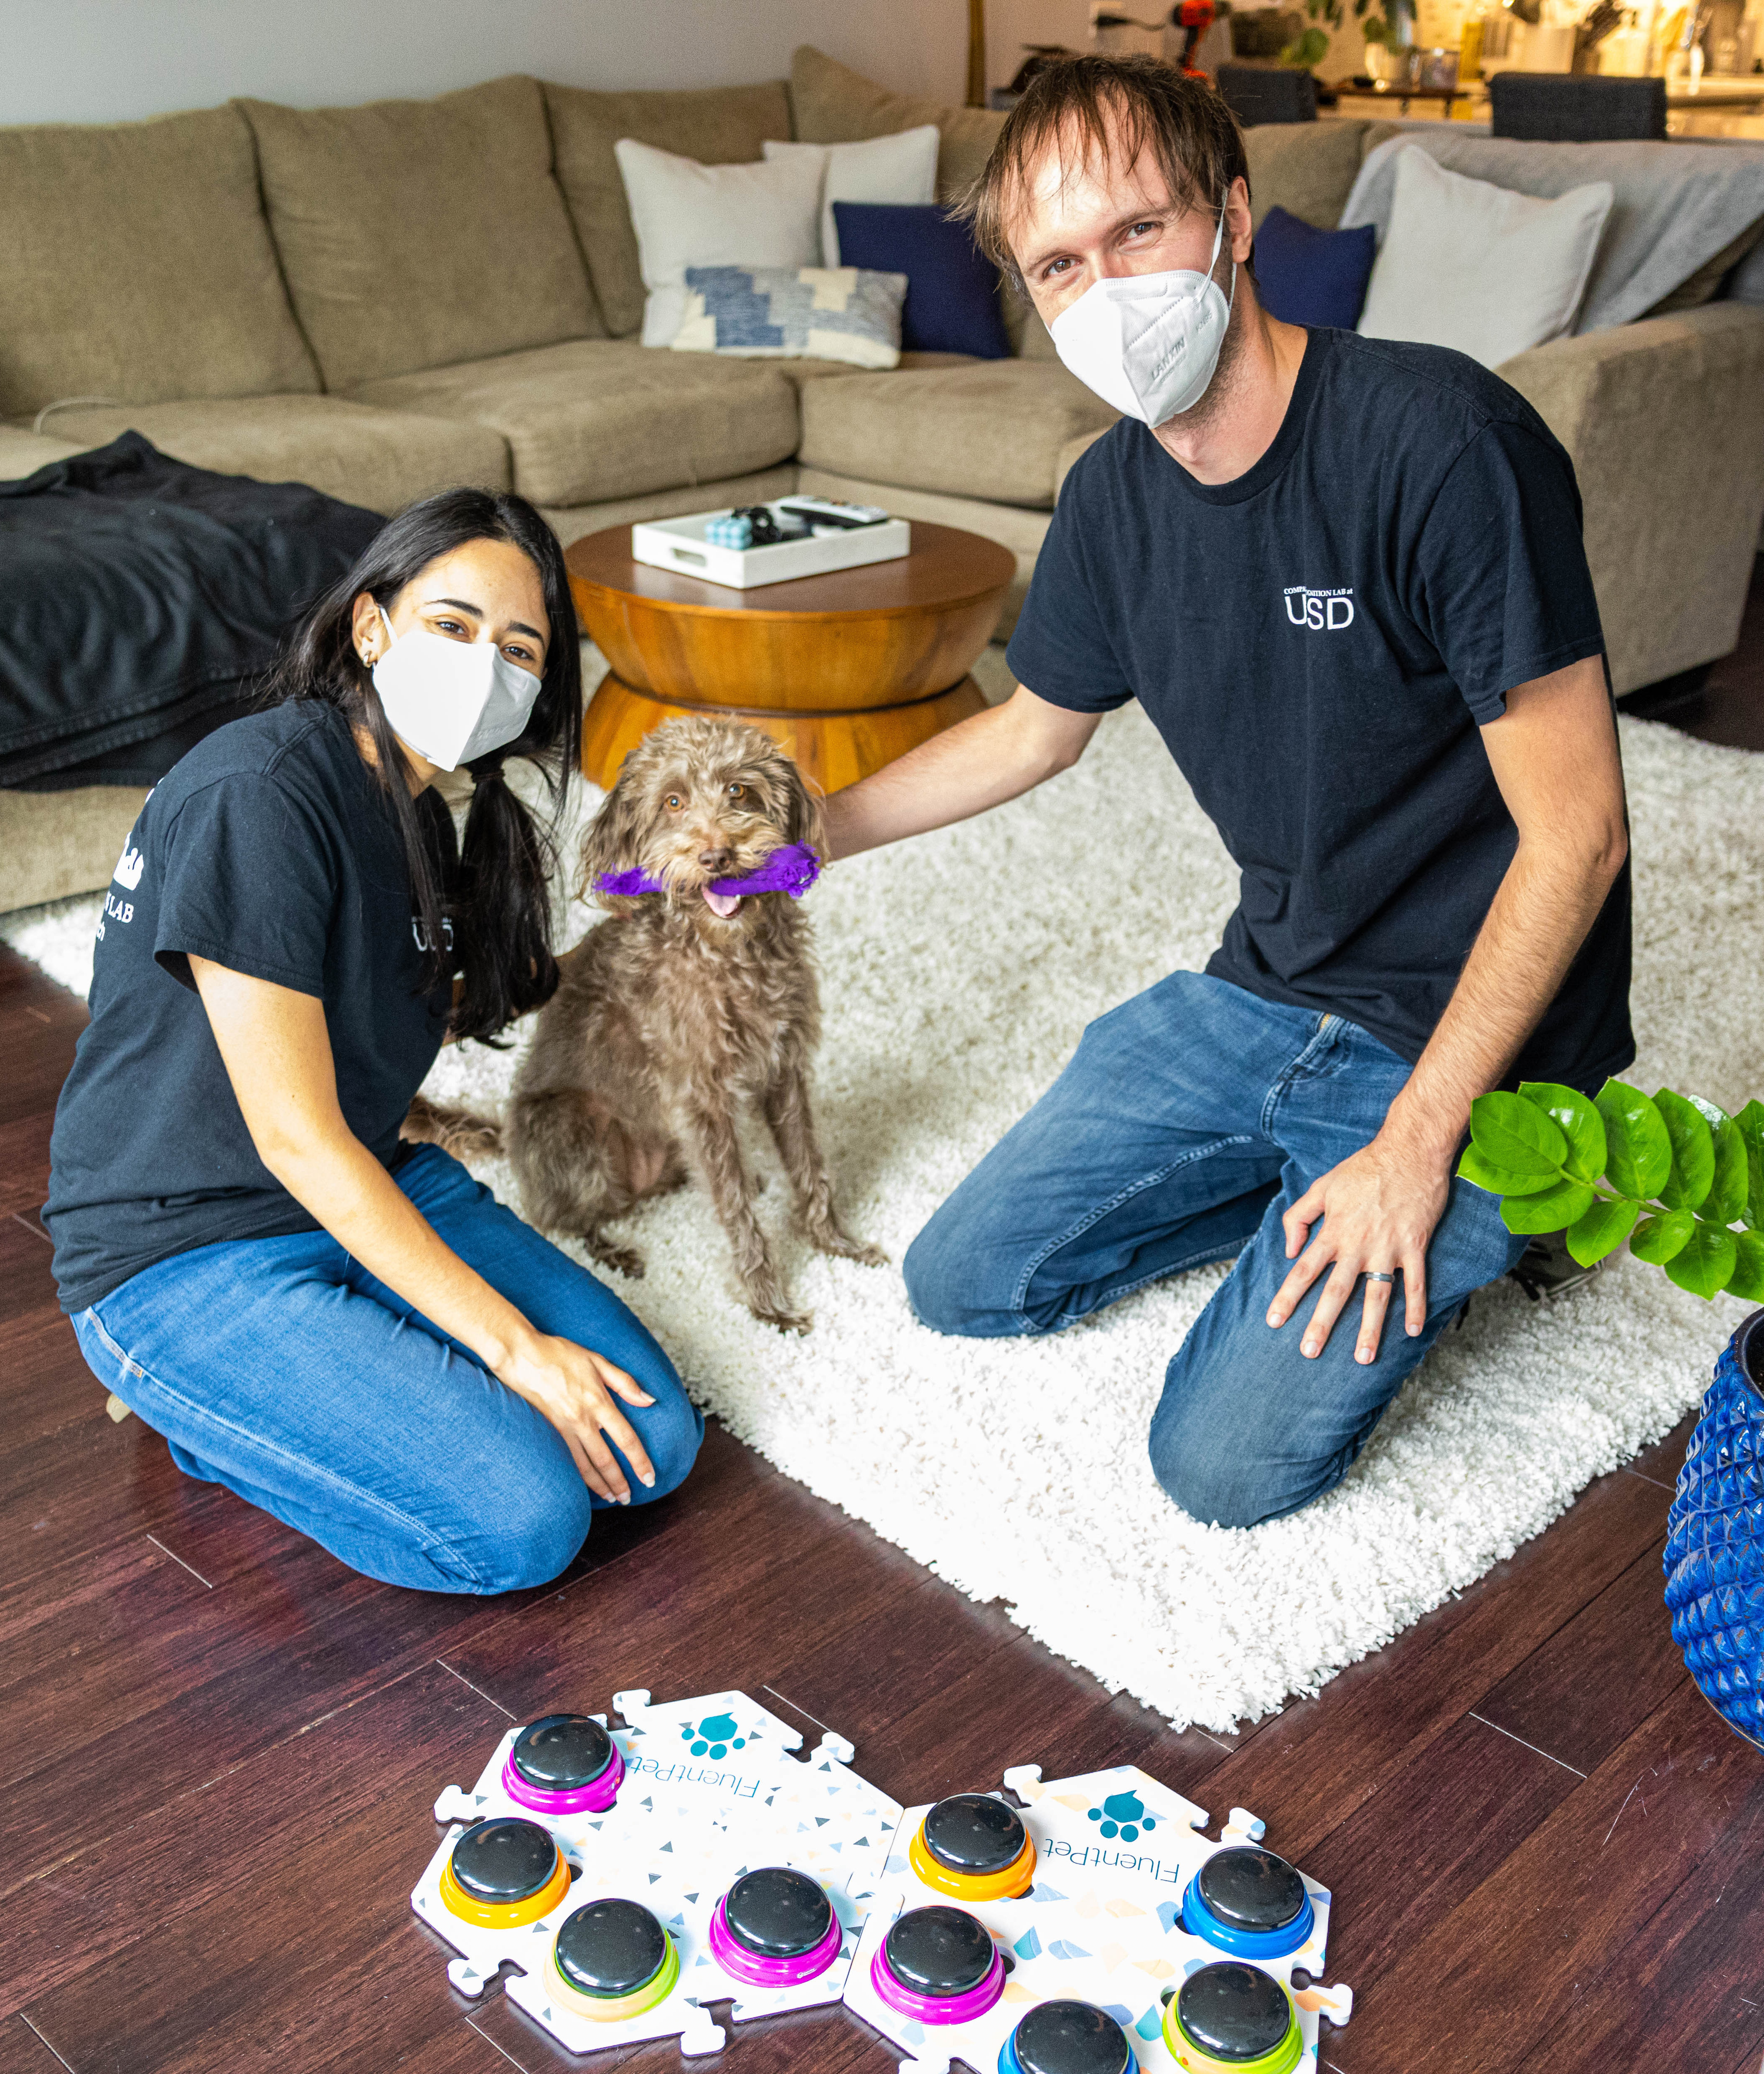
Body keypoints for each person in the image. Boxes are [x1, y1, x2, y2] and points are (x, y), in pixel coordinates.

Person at [825, 57, 1633, 1530]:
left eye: (1139, 233)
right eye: (1060, 265)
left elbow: (1579, 835)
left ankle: (1514, 1197)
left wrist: (1416, 1145)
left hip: (1470, 1034)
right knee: (963, 1282)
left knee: (1222, 1465)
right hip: (1264, 988)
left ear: (1237, 219)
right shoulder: (1111, 498)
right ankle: (1317, 1185)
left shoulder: (1442, 444)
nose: (1105, 289)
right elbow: (1028, 734)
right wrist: (807, 839)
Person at [45, 488, 703, 1592]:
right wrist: (511, 1348)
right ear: (371, 626)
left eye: (520, 648)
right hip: (184, 1246)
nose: (484, 663)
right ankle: (205, 1415)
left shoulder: (422, 812)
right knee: (523, 1523)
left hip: (370, 1181)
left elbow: (379, 1028)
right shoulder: (263, 792)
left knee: (649, 1449)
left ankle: (337, 1376)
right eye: (453, 624)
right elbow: (298, 1141)